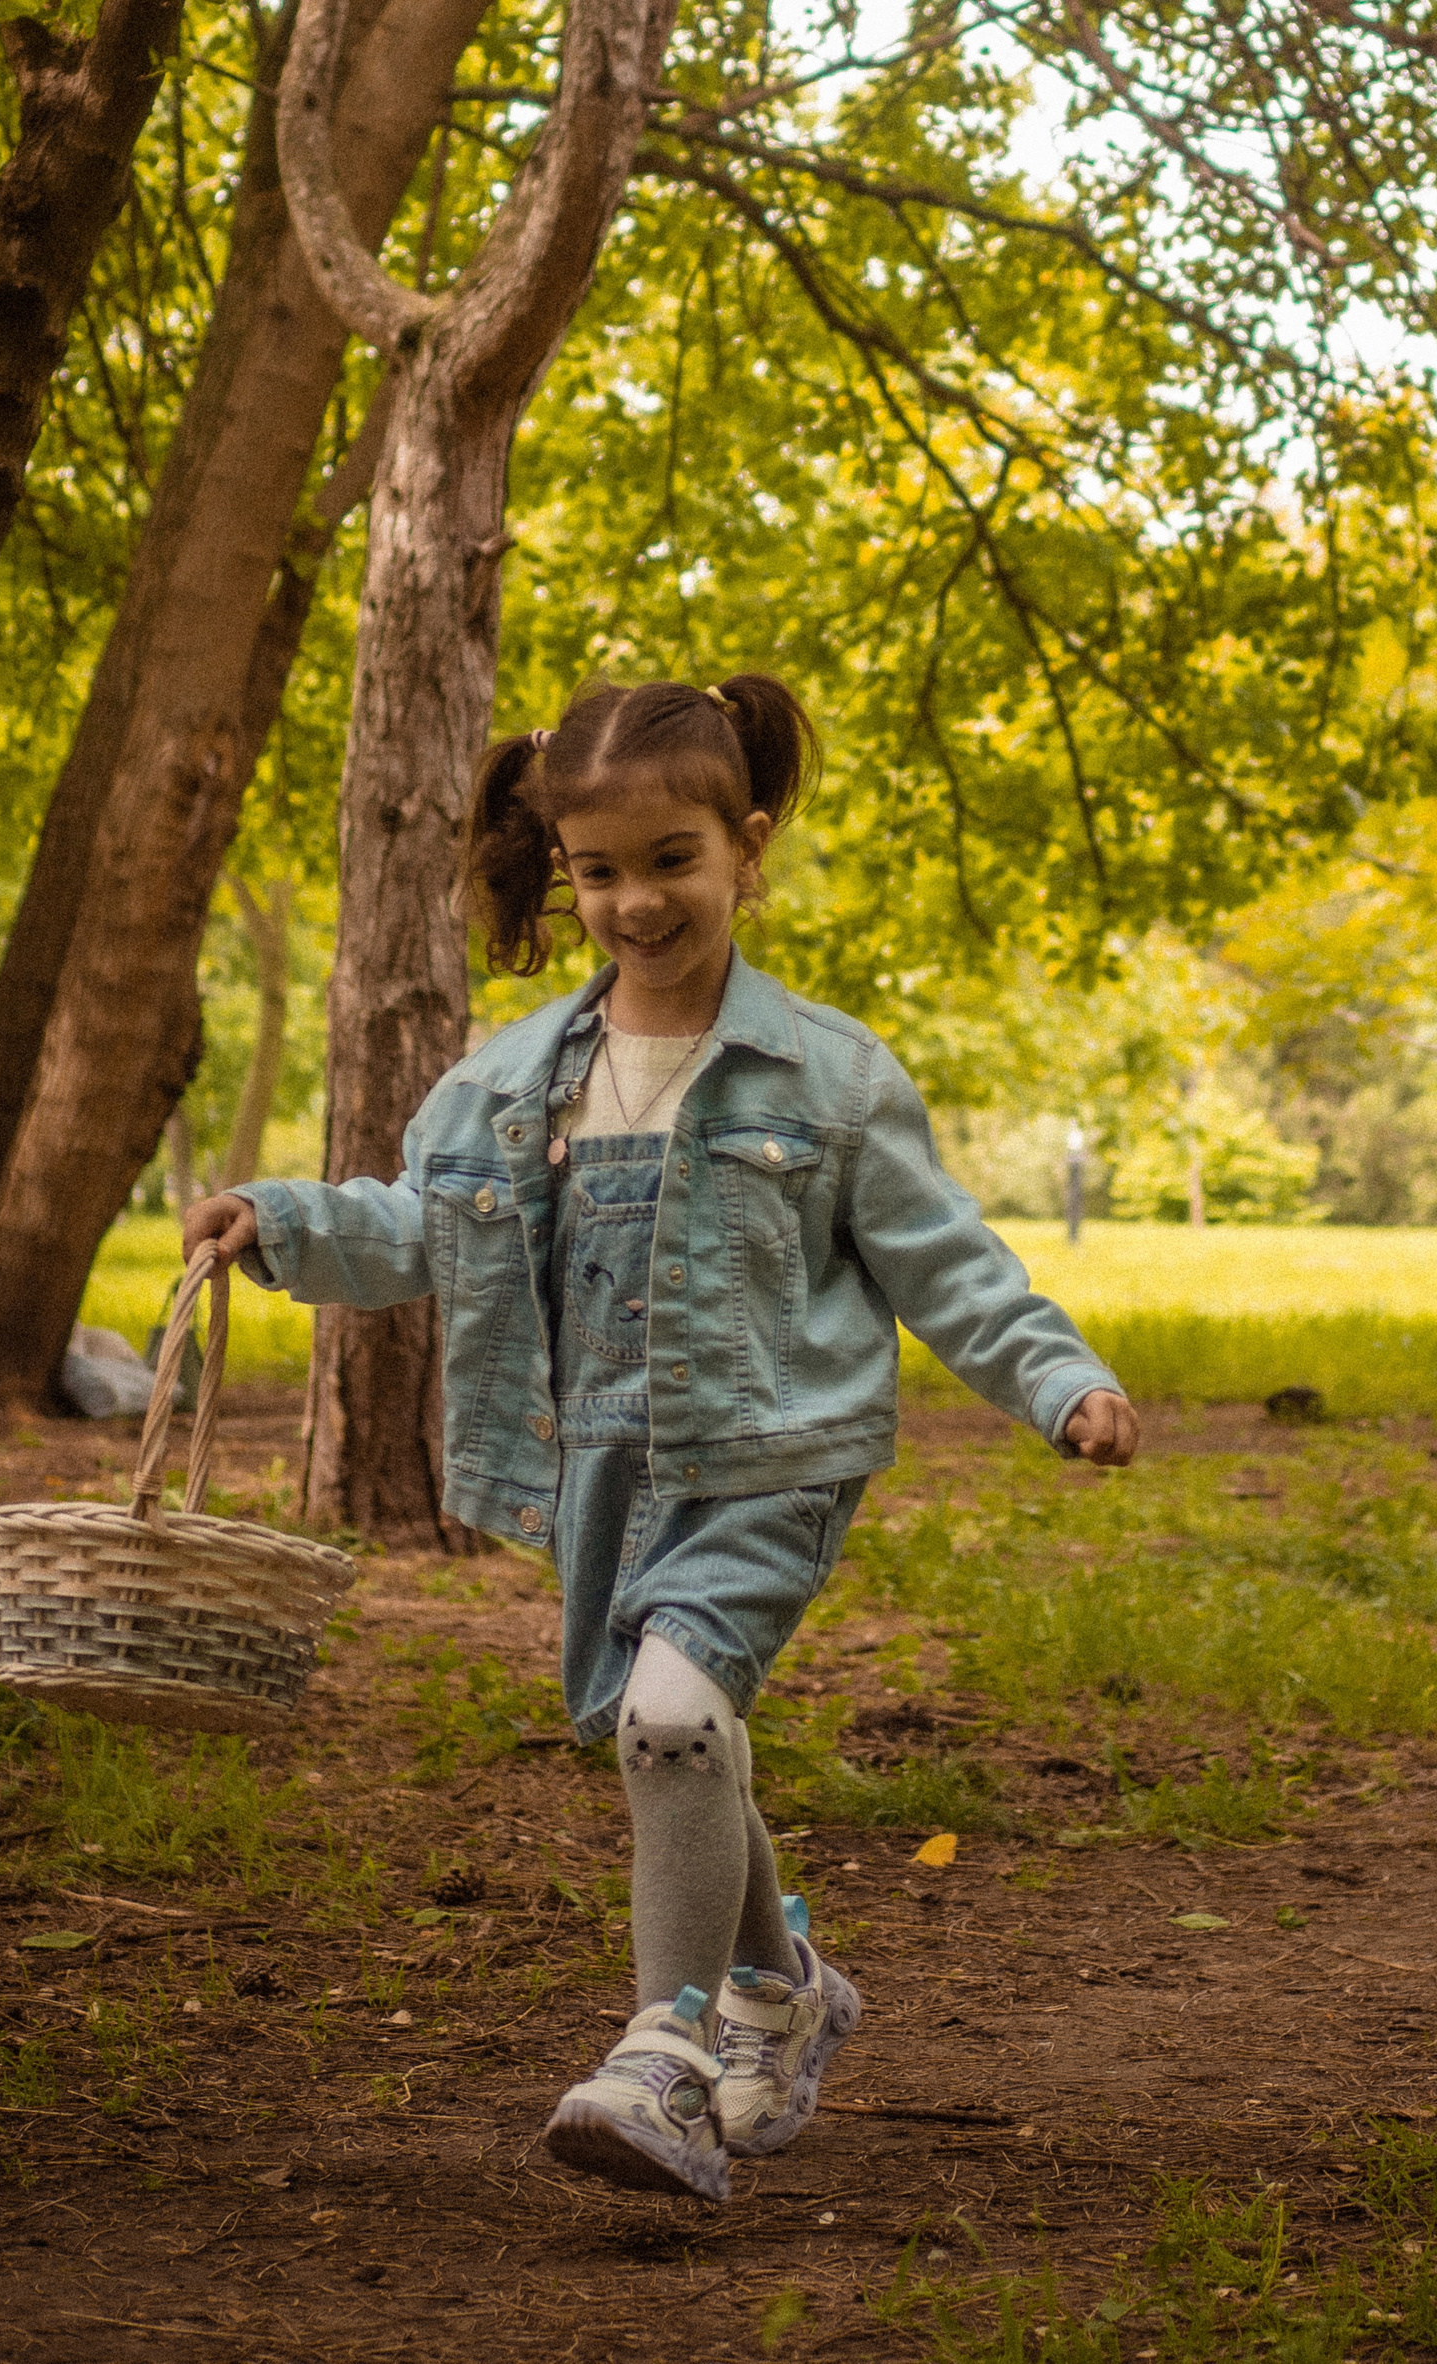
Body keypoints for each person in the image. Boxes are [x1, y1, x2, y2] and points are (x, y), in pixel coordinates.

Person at [181, 672, 1138, 2204]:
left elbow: (945, 1262)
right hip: (590, 1468)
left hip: (770, 1456)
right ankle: (788, 1985)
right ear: (564, 871)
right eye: (598, 871)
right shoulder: (504, 1084)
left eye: (671, 861)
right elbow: (418, 1230)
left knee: (671, 1725)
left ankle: (667, 2057)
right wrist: (279, 1224)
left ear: (746, 848)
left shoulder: (827, 1079)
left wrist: (1056, 1379)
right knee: (670, 1743)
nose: (635, 901)